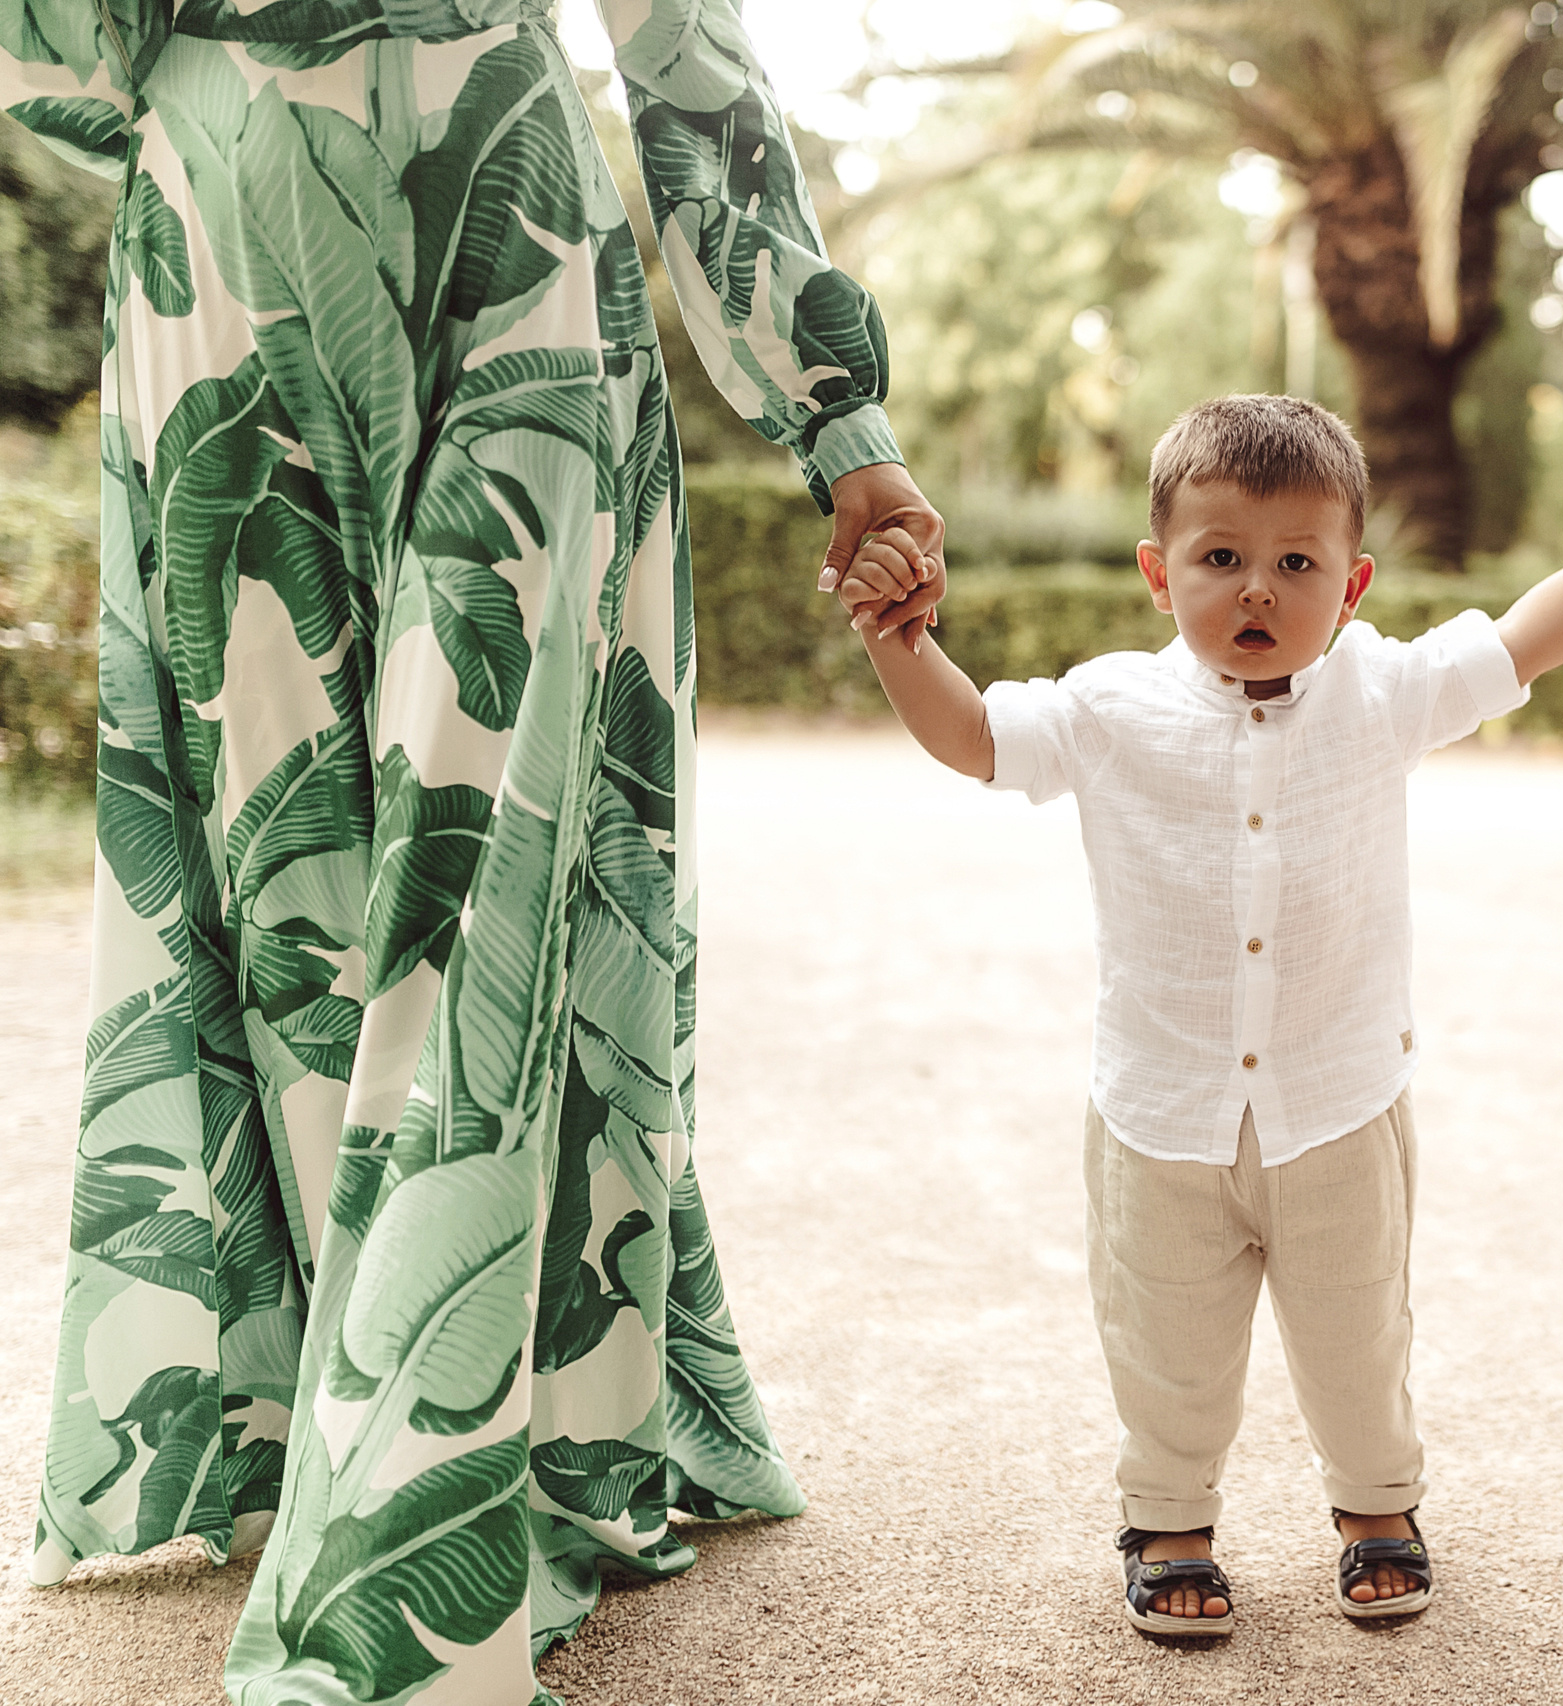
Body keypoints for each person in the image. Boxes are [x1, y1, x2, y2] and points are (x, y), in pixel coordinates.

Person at [0, 0, 937, 1697]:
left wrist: (836, 415)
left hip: (466, 229)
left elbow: (680, 44)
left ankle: (415, 1485)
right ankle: (385, 1409)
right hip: (240, 232)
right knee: (297, 864)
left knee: (483, 836)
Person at [837, 394, 1563, 1636]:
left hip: (1337, 1102)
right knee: (1165, 1343)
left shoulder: (1384, 691)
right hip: (1160, 1109)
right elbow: (974, 733)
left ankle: (1374, 1506)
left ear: (1350, 585)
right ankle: (1171, 1520)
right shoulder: (1106, 708)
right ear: (1159, 573)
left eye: (1296, 563)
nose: (1258, 590)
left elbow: (1519, 643)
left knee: (1358, 1333)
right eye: (1221, 558)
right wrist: (894, 634)